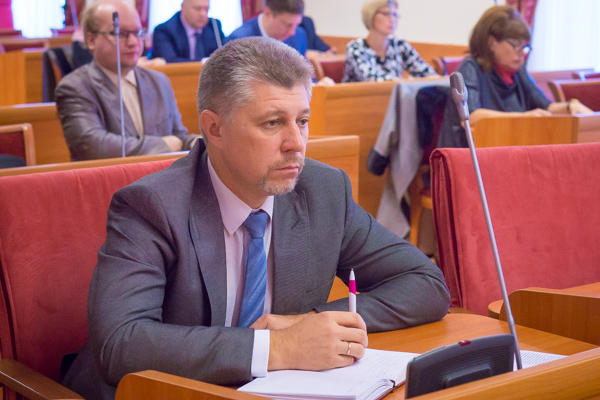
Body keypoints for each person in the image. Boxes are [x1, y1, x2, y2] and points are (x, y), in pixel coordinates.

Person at [61, 36, 450, 400]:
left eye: (302, 121)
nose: (296, 144)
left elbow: (425, 283)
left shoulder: (323, 191)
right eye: (272, 123)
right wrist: (277, 347)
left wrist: (310, 323)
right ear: (214, 128)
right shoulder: (151, 205)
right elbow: (120, 343)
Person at [55, 0, 199, 161]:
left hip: (162, 176)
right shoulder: (74, 87)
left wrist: (203, 144)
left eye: (137, 33)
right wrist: (163, 145)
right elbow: (92, 146)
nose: (133, 42)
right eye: (121, 34)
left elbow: (179, 139)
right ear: (91, 40)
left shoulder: (159, 81)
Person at [438, 5, 593, 148]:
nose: (522, 53)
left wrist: (570, 106)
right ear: (491, 43)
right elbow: (471, 116)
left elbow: (544, 106)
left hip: (506, 144)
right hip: (471, 152)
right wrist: (523, 117)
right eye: (515, 45)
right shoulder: (470, 67)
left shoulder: (517, 70)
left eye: (524, 46)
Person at [342, 0, 437, 82]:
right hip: (360, 97)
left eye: (395, 15)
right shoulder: (356, 48)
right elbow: (371, 79)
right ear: (371, 15)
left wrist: (434, 79)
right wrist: (404, 82)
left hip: (391, 97)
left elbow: (425, 72)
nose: (392, 19)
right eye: (386, 14)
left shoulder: (399, 44)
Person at [151, 0, 225, 62]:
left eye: (206, 9)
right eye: (198, 9)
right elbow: (170, 61)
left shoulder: (214, 26)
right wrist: (205, 62)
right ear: (183, 7)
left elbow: (224, 54)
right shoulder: (164, 30)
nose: (203, 14)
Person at [228, 0, 308, 56]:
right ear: (267, 12)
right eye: (288, 24)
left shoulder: (300, 35)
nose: (292, 32)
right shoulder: (239, 41)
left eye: (296, 24)